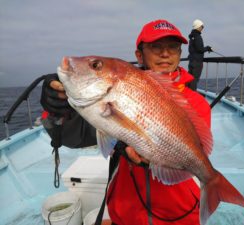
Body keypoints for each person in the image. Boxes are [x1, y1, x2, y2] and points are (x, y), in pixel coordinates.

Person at [40, 19, 211, 225]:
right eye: (156, 47)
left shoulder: (197, 103)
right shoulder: (111, 95)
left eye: (173, 47)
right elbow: (75, 138)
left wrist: (151, 160)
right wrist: (58, 111)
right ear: (139, 55)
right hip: (126, 212)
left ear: (180, 54)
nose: (165, 54)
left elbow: (191, 150)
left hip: (180, 214)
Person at [187, 19, 212, 91]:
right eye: (202, 26)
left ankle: (188, 94)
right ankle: (192, 96)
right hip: (197, 62)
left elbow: (191, 49)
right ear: (198, 26)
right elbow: (200, 49)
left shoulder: (192, 37)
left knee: (190, 78)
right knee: (194, 79)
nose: (202, 28)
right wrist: (208, 48)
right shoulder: (197, 36)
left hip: (192, 61)